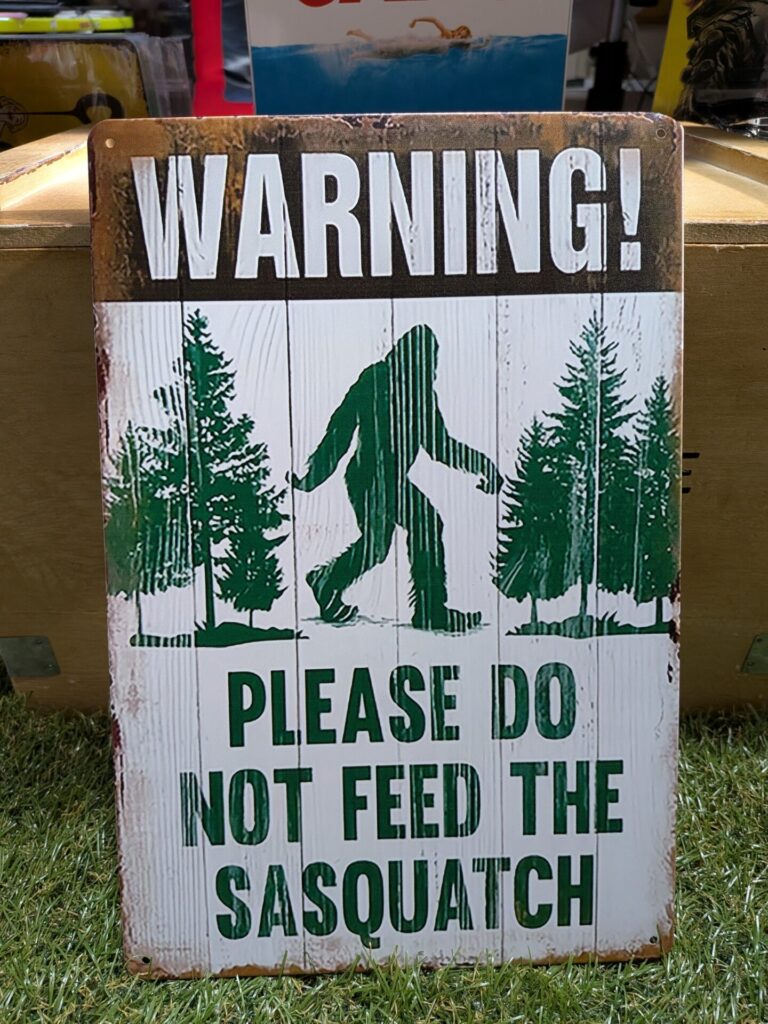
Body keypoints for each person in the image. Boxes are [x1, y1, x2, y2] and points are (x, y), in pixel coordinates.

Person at [292, 325, 502, 633]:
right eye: (428, 360)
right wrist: (313, 477)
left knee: (422, 526)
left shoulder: (422, 393)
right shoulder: (375, 378)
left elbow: (439, 446)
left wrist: (484, 465)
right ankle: (329, 581)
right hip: (366, 478)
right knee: (380, 546)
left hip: (393, 482)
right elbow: (341, 428)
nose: (431, 368)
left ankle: (429, 609)